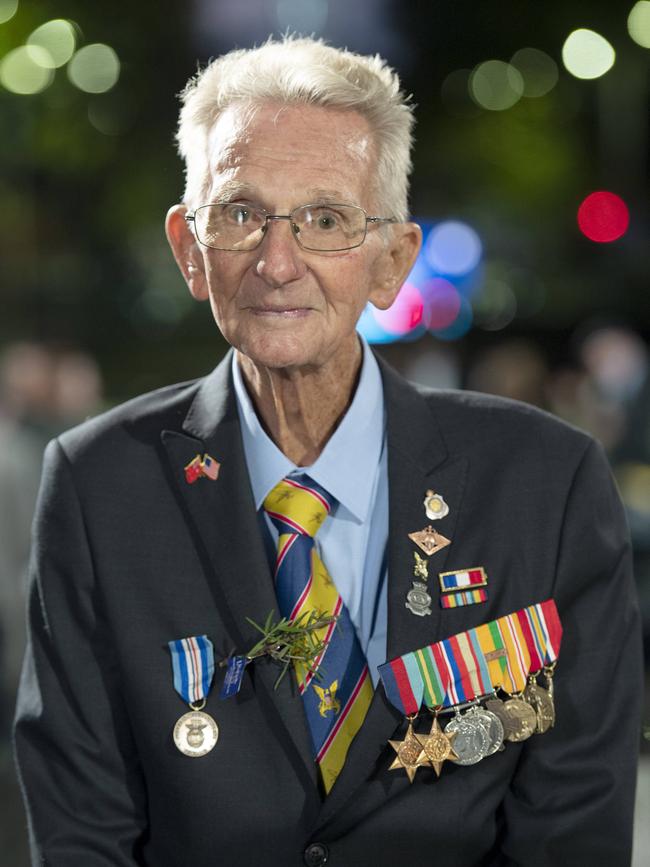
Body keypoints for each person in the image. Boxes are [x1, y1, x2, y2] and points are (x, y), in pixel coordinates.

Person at [14, 36, 642, 867]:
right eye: (240, 213)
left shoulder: (545, 482)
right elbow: (82, 832)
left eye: (326, 220)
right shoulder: (98, 487)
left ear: (392, 262)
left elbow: (572, 833)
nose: (278, 262)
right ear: (188, 250)